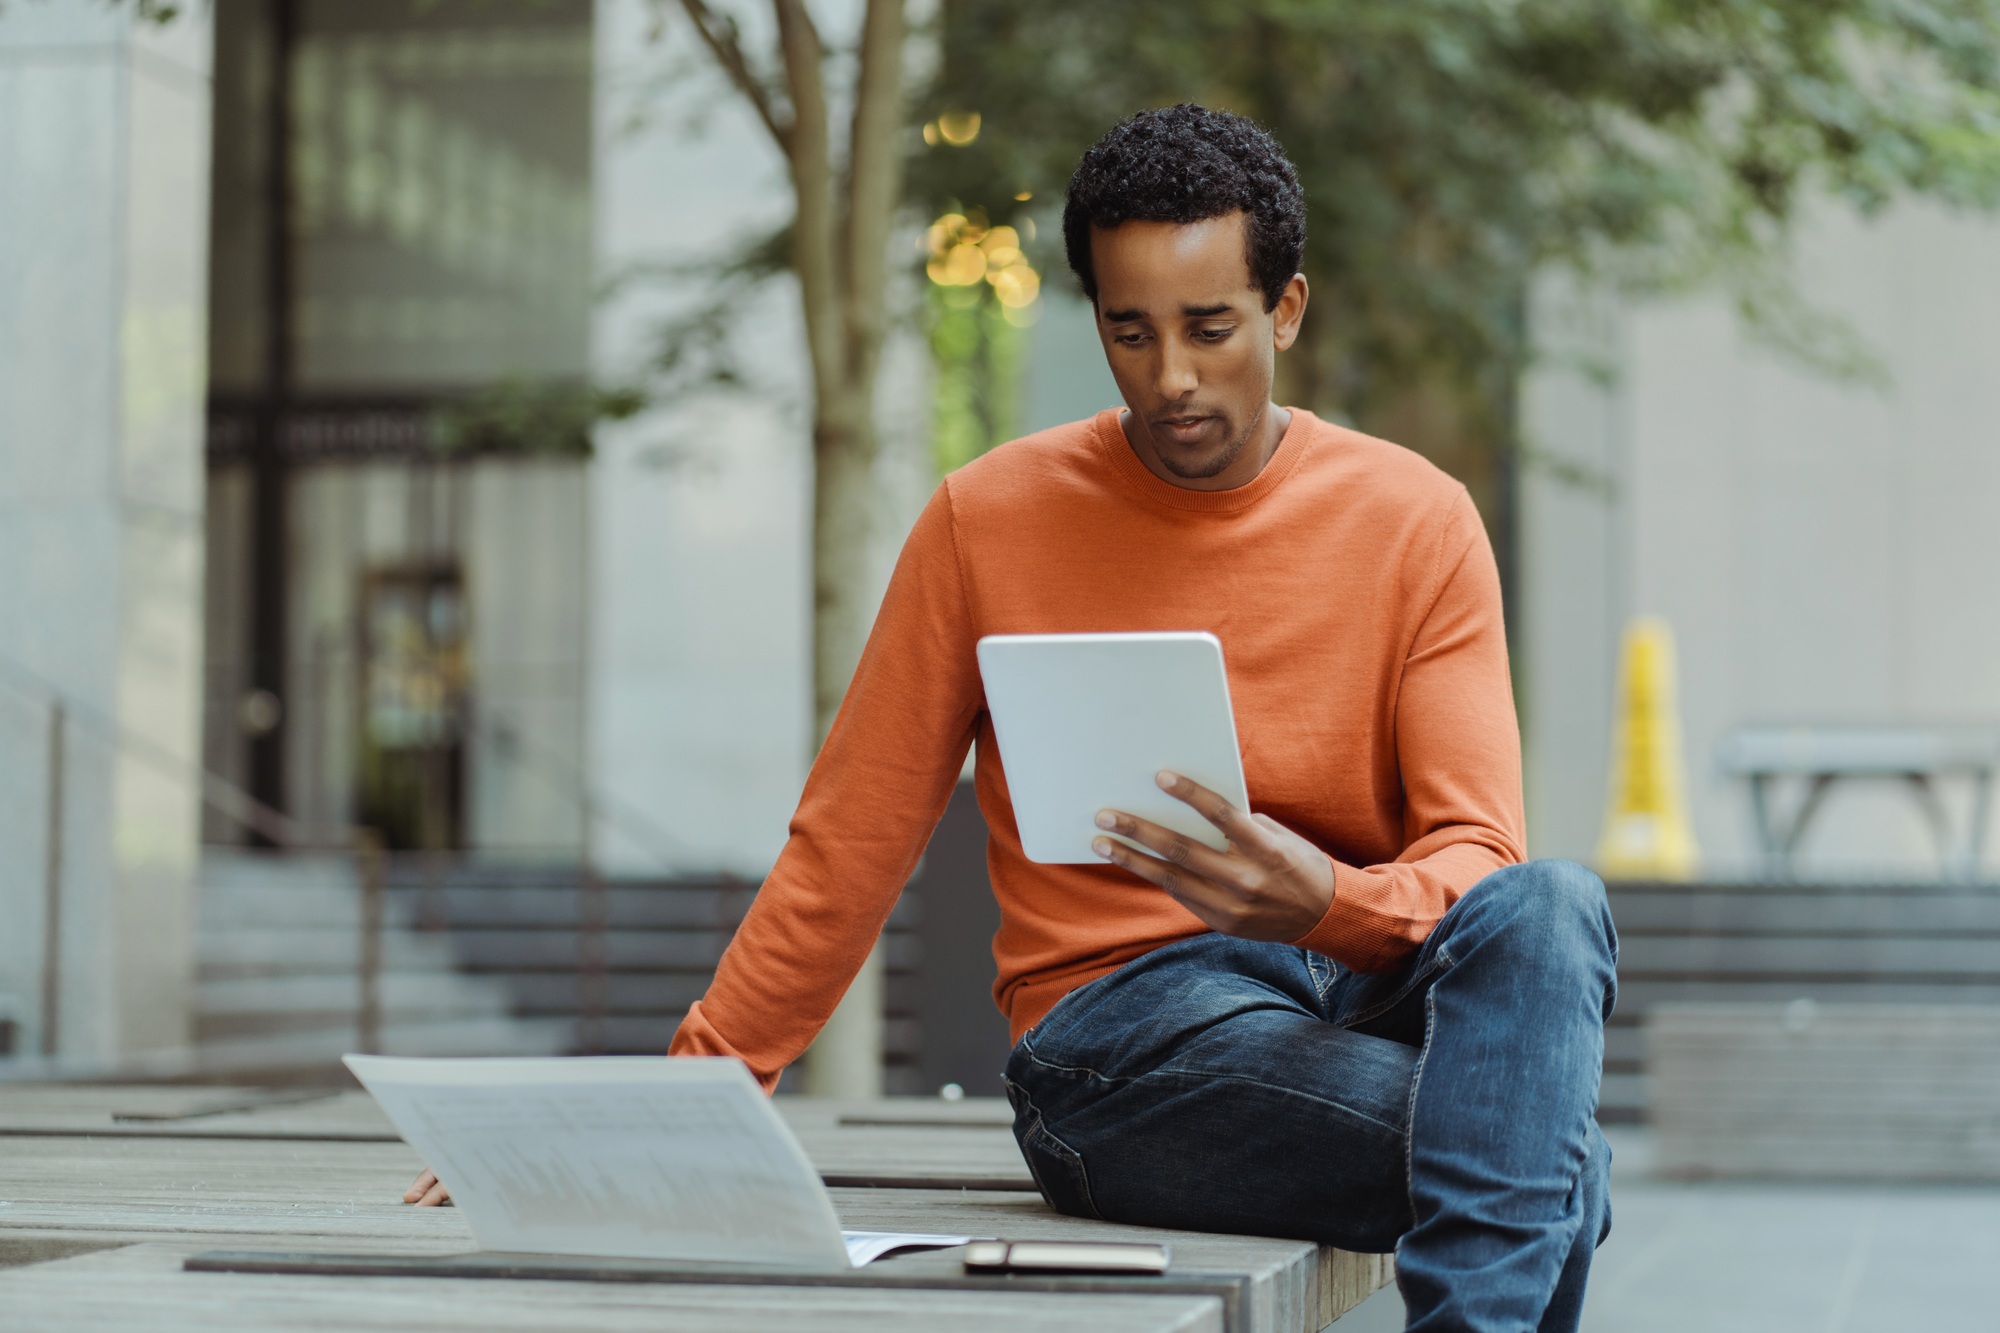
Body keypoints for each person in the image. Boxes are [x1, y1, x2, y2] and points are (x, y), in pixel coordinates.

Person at [406, 102, 1616, 1333]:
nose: (1171, 378)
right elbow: (850, 837)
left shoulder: (1415, 520)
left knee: (1554, 904)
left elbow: (1477, 861)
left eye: (1210, 329)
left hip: (1356, 983)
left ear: (1286, 310)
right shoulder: (989, 520)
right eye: (1128, 332)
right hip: (1125, 1037)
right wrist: (676, 1106)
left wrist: (1328, 904)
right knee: (1548, 1159)